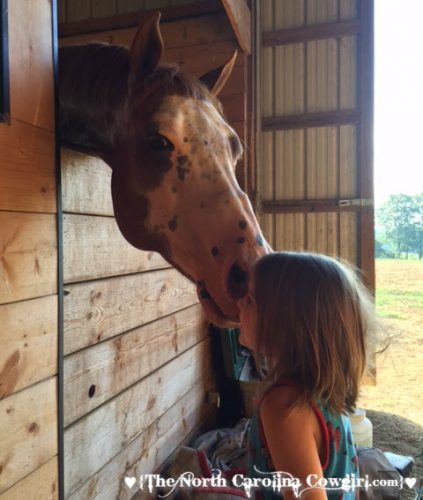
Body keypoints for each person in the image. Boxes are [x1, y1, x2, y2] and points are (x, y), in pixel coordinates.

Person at [237, 252, 378, 499]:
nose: (239, 304)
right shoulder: (322, 388)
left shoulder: (285, 407)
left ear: (285, 324)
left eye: (250, 300)